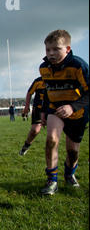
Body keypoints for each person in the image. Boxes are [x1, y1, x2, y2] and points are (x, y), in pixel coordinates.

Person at [39, 29, 89, 195]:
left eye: (56, 49)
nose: (51, 53)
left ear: (67, 49)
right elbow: (48, 90)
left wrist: (72, 107)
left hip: (78, 111)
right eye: (48, 50)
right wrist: (44, 113)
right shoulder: (44, 68)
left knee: (72, 150)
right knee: (52, 140)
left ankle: (70, 174)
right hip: (55, 109)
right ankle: (52, 180)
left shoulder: (78, 65)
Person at [19, 77, 46, 156]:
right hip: (38, 109)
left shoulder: (57, 79)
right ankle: (26, 146)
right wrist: (26, 106)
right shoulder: (38, 81)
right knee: (35, 130)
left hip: (51, 108)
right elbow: (29, 92)